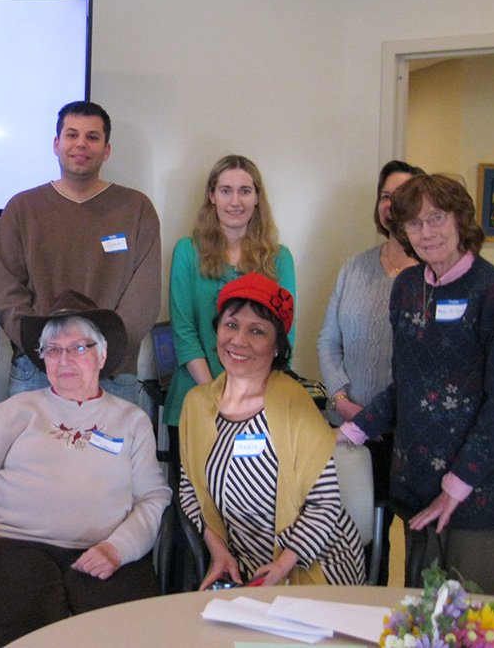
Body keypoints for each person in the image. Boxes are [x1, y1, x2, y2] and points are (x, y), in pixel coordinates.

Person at [0, 290, 170, 647]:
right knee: (33, 636)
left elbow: (152, 499)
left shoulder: (131, 420)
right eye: (54, 350)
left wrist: (118, 548)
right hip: (11, 546)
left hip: (105, 548)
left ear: (102, 354)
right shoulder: (17, 410)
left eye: (78, 348)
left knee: (128, 636)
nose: (64, 360)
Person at [339, 174, 494, 596]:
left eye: (437, 217)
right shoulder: (406, 288)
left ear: (461, 219)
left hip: (479, 492)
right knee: (418, 609)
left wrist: (456, 486)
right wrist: (349, 432)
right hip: (417, 482)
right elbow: (407, 386)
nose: (426, 232)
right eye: (414, 223)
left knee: (467, 615)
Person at [178, 273, 364, 588]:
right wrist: (219, 551)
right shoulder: (196, 405)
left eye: (257, 331)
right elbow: (190, 491)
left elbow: (325, 503)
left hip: (314, 562)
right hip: (243, 565)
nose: (238, 341)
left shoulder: (295, 404)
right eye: (231, 325)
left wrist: (281, 567)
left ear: (277, 345)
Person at [0, 101, 160, 405]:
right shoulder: (22, 209)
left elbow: (144, 299)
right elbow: (7, 295)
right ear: (57, 144)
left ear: (106, 150)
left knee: (112, 455)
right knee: (30, 456)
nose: (81, 143)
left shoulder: (137, 209)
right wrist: (52, 353)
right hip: (37, 371)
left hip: (111, 373)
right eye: (72, 135)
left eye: (93, 137)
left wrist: (98, 357)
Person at [317, 159, 423, 584]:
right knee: (357, 542)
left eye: (405, 196)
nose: (393, 205)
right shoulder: (354, 267)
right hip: (353, 432)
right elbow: (327, 341)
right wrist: (344, 403)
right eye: (386, 196)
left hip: (409, 435)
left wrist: (383, 416)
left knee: (413, 543)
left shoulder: (435, 274)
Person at [164, 155, 295, 479]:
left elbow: (284, 337)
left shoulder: (280, 259)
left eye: (245, 191)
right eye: (225, 190)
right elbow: (183, 330)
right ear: (211, 196)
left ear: (257, 197)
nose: (235, 201)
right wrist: (215, 394)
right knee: (192, 511)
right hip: (195, 397)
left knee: (248, 505)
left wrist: (243, 397)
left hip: (257, 404)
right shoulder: (187, 251)